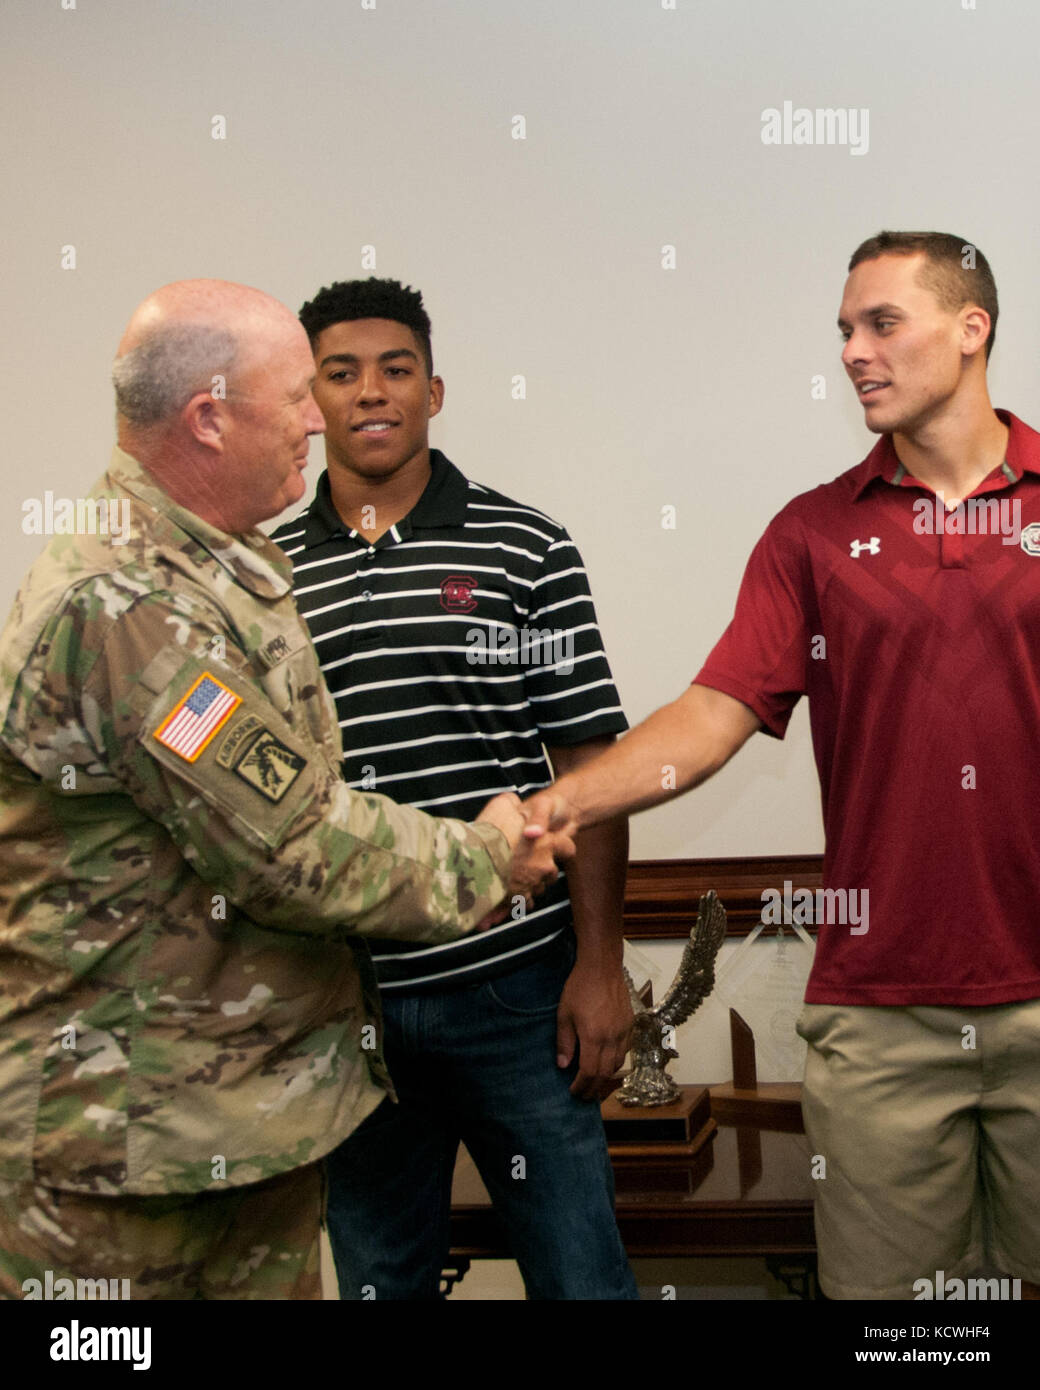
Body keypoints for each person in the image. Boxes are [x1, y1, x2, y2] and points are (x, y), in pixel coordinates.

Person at [0, 279, 571, 1302]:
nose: (321, 416)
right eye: (296, 394)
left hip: (226, 1117)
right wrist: (488, 855)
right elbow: (291, 846)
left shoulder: (224, 563)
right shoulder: (130, 604)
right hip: (123, 1153)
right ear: (209, 417)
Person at [524, 232, 1040, 1301]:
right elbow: (710, 717)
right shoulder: (808, 535)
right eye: (843, 331)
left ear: (969, 328)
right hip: (876, 1014)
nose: (852, 350)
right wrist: (557, 802)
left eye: (880, 323)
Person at [270, 277, 637, 1300]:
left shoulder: (527, 546)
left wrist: (600, 965)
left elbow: (591, 773)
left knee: (580, 1278)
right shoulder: (261, 575)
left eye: (395, 369)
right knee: (379, 1279)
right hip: (348, 1004)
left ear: (434, 392)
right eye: (340, 373)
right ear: (310, 402)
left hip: (516, 991)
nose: (370, 392)